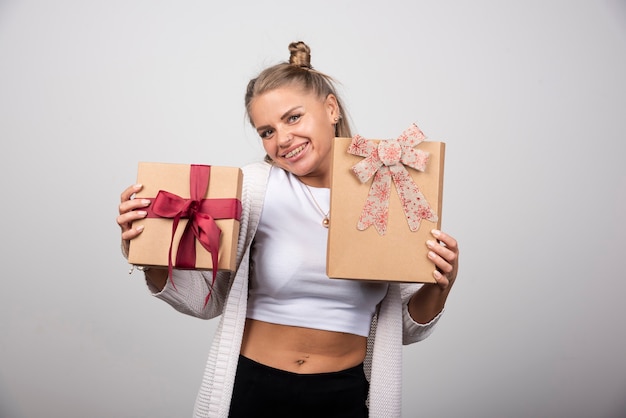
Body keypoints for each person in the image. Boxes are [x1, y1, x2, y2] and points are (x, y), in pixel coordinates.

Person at [117, 41, 459, 418]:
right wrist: (148, 250)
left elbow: (407, 329)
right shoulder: (252, 189)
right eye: (266, 131)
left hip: (344, 394)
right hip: (255, 389)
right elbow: (206, 299)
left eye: (293, 118)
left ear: (331, 108)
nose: (281, 140)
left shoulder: (387, 186)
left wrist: (439, 282)